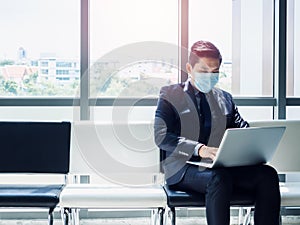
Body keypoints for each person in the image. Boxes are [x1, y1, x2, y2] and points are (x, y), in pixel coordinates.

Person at [154, 40, 280, 225]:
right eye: (204, 71)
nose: (209, 76)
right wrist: (200, 149)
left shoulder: (225, 99)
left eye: (215, 72)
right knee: (219, 179)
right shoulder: (170, 94)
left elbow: (241, 127)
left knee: (267, 175)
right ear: (189, 68)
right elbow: (161, 136)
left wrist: (253, 143)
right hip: (183, 168)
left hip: (221, 166)